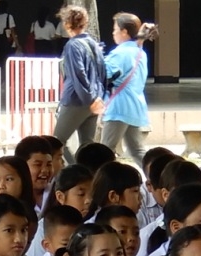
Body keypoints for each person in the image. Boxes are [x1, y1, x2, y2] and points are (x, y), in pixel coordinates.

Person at [53, 5, 106, 152]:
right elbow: (102, 73)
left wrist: (89, 99)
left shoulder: (73, 45)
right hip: (94, 100)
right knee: (87, 146)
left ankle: (70, 166)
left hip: (76, 100)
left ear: (67, 24)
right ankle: (85, 167)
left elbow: (78, 74)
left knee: (56, 142)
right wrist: (98, 98)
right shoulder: (93, 44)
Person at [99, 12, 150, 164]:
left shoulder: (120, 53)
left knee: (105, 151)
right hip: (134, 106)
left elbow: (105, 74)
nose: (113, 33)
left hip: (118, 107)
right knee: (137, 151)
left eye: (115, 29)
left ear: (124, 32)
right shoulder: (140, 52)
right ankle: (156, 175)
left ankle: (104, 178)